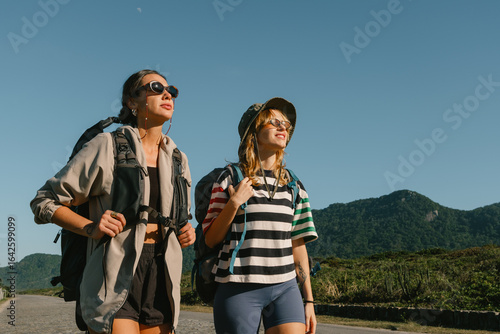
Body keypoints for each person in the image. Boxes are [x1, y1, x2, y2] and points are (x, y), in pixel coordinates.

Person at [30, 69, 195, 334]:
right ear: (132, 101)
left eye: (172, 91)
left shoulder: (178, 159)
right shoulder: (107, 146)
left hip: (162, 275)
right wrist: (90, 227)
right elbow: (44, 201)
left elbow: (181, 218)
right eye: (155, 87)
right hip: (113, 270)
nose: (167, 94)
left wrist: (186, 231)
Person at [202, 97, 318, 334]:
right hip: (238, 287)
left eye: (285, 124)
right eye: (273, 122)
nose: (282, 127)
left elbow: (297, 245)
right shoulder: (230, 178)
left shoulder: (294, 186)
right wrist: (234, 202)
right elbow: (211, 239)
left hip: (285, 288)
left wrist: (309, 301)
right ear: (253, 132)